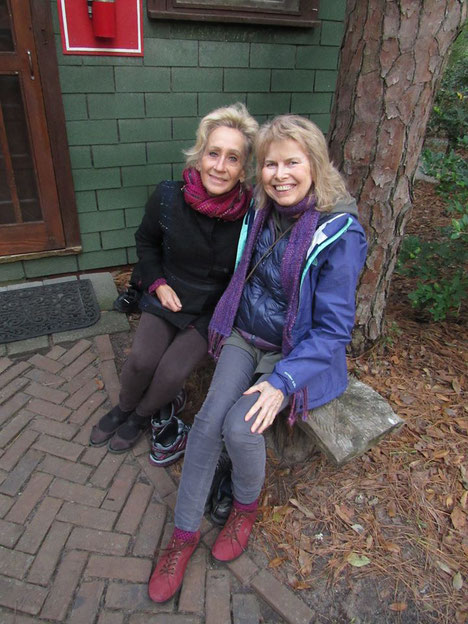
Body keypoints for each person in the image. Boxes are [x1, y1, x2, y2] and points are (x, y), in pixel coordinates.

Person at [147, 114, 368, 603]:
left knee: (239, 428)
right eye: (271, 164)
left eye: (293, 162)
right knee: (206, 425)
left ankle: (245, 506)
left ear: (315, 165)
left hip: (294, 353)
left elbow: (332, 331)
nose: (280, 174)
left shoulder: (339, 233)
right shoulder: (261, 212)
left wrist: (283, 381)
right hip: (246, 334)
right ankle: (183, 538)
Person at [89, 103, 259, 455]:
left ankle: (140, 417)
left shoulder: (252, 216)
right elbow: (146, 241)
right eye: (214, 153)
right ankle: (123, 407)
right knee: (141, 361)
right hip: (168, 292)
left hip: (210, 309)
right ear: (200, 156)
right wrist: (157, 284)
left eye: (232, 158)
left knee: (171, 372)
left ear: (244, 170)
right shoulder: (169, 196)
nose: (220, 166)